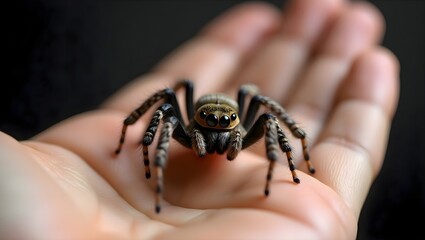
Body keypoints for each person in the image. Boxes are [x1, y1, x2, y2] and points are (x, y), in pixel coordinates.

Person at [0, 0, 399, 239]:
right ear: (200, 119)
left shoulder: (241, 127)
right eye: (212, 123)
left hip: (241, 112)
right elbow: (162, 114)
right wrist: (138, 144)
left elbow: (273, 122)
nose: (221, 139)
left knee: (264, 108)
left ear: (234, 123)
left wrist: (291, 165)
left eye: (226, 125)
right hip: (190, 120)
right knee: (167, 102)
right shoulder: (189, 128)